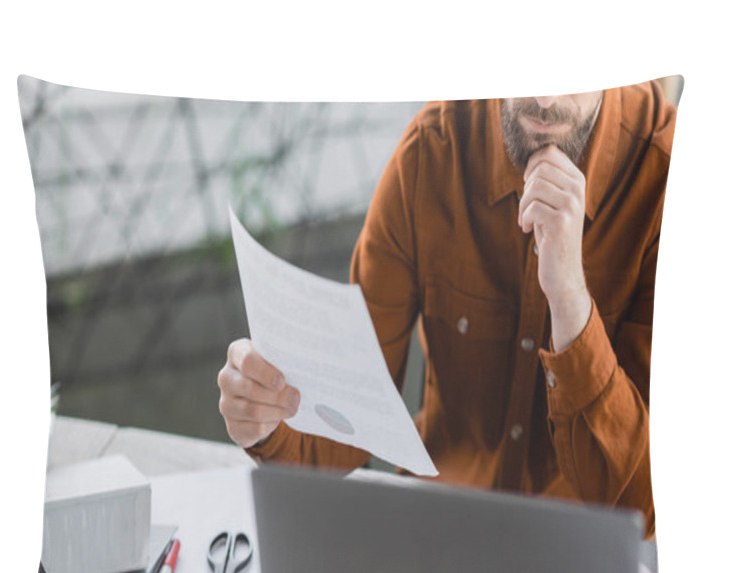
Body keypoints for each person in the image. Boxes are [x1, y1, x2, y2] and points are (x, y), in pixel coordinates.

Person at [217, 81, 676, 541]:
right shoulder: (433, 152)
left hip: (587, 550)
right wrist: (266, 418)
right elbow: (349, 418)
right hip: (436, 530)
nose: (545, 99)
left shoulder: (670, 181)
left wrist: (571, 301)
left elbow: (648, 506)